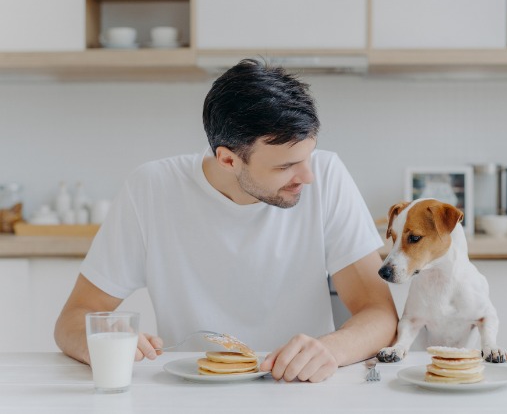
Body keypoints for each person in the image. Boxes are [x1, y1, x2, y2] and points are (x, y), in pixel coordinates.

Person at [54, 59, 398, 383]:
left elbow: (379, 313)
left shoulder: (328, 176)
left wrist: (331, 350)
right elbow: (73, 318)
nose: (307, 176)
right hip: (192, 392)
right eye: (284, 166)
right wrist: (103, 341)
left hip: (298, 390)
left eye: (307, 157)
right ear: (228, 160)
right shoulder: (151, 188)